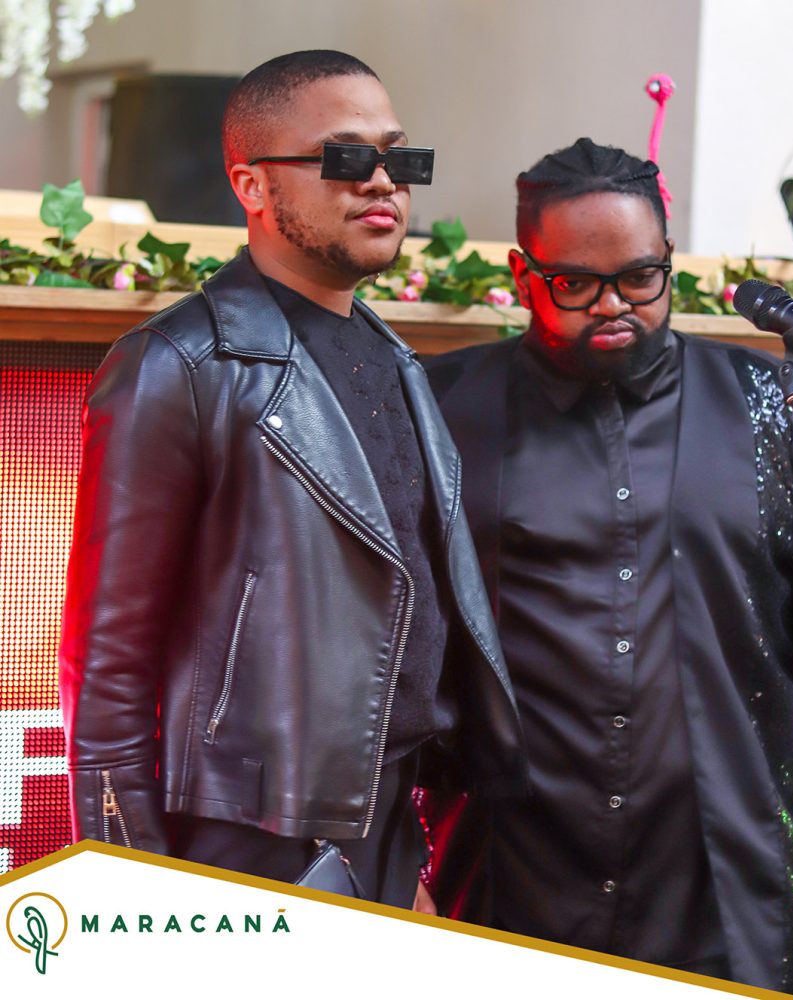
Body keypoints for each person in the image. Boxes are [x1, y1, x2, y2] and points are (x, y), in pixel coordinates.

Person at [58, 49, 522, 909]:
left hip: (386, 821)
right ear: (252, 184)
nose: (383, 182)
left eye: (400, 159)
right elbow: (107, 666)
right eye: (346, 157)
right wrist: (128, 887)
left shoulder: (396, 361)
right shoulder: (179, 364)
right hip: (245, 842)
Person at [424, 137, 793, 991]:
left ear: (669, 263)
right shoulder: (442, 406)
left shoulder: (767, 403)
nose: (613, 305)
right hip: (511, 870)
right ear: (525, 277)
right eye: (576, 284)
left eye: (639, 277)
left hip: (721, 876)